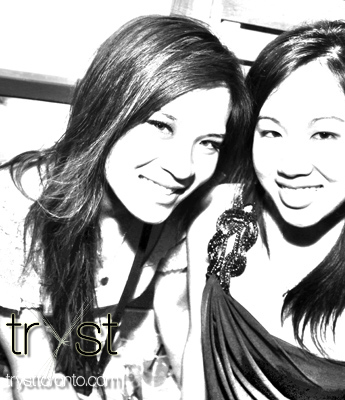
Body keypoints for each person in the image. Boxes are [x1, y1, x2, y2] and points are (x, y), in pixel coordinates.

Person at [165, 20, 345, 399]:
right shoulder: (216, 216)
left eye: (324, 134)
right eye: (272, 132)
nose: (291, 165)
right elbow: (198, 353)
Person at [0, 14, 249, 399]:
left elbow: (177, 325)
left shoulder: (179, 213)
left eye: (209, 143)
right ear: (106, 111)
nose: (183, 169)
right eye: (162, 126)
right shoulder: (17, 201)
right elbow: (33, 370)